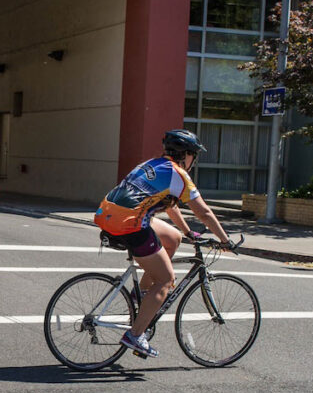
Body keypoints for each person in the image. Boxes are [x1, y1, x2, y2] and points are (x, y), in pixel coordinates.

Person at [94, 129, 232, 358]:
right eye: (194, 155)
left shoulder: (154, 164)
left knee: (173, 238)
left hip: (110, 216)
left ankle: (144, 294)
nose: (194, 161)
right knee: (166, 280)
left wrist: (187, 232)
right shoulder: (178, 174)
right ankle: (135, 335)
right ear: (186, 155)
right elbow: (204, 212)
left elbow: (169, 205)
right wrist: (225, 240)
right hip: (130, 225)